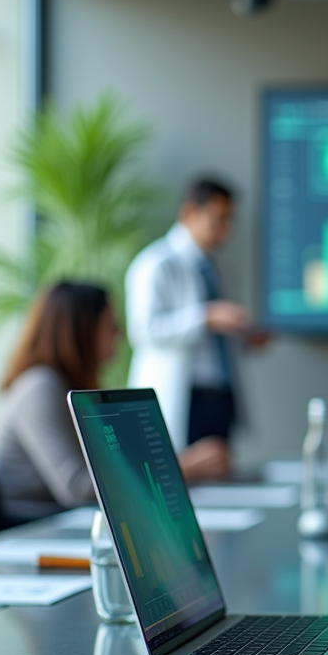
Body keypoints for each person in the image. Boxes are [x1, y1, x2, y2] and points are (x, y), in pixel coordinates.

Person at [0, 282, 230, 521]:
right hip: (33, 528)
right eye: (110, 325)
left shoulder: (67, 388)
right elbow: (77, 488)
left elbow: (110, 466)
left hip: (61, 522)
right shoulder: (39, 388)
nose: (119, 334)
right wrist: (182, 468)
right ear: (82, 331)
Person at [126, 177, 266, 452]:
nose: (225, 231)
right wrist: (205, 317)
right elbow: (143, 330)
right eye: (218, 220)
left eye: (229, 221)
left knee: (219, 480)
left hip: (222, 396)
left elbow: (216, 342)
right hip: (185, 396)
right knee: (187, 478)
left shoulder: (219, 270)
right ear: (190, 213)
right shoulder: (155, 264)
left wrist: (246, 338)